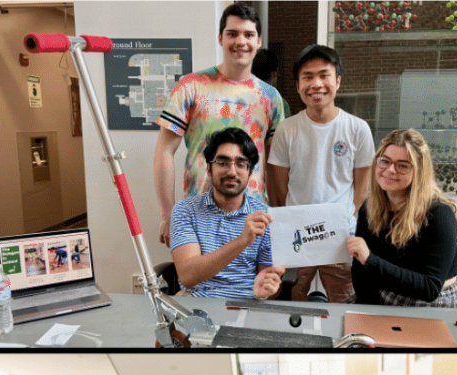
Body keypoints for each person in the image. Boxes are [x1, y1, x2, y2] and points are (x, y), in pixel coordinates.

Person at [154, 2, 286, 249]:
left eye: (248, 35)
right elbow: (164, 151)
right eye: (232, 34)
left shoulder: (270, 98)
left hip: (252, 217)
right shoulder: (191, 86)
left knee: (251, 286)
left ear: (258, 41)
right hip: (198, 216)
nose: (241, 41)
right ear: (220, 38)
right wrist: (167, 213)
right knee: (199, 283)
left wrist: (279, 213)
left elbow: (273, 164)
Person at [267, 44, 376, 303]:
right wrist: (289, 220)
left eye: (324, 75)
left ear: (337, 81)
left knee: (344, 302)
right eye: (307, 77)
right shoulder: (287, 129)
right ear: (297, 86)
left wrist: (342, 220)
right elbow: (279, 186)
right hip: (296, 235)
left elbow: (362, 188)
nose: (316, 84)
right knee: (290, 300)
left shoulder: (358, 129)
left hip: (340, 237)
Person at [345, 129, 457, 308]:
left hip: (432, 303)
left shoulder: (439, 213)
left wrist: (369, 259)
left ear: (418, 171)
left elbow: (429, 289)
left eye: (402, 165)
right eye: (384, 161)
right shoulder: (370, 206)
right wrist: (366, 311)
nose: (390, 170)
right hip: (384, 293)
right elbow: (361, 271)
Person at [169, 128, 285, 300]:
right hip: (195, 301)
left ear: (249, 172)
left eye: (240, 164)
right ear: (209, 169)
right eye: (223, 163)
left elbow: (269, 285)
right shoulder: (185, 210)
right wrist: (241, 241)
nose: (232, 172)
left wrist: (267, 291)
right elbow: (188, 277)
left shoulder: (266, 217)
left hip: (248, 302)